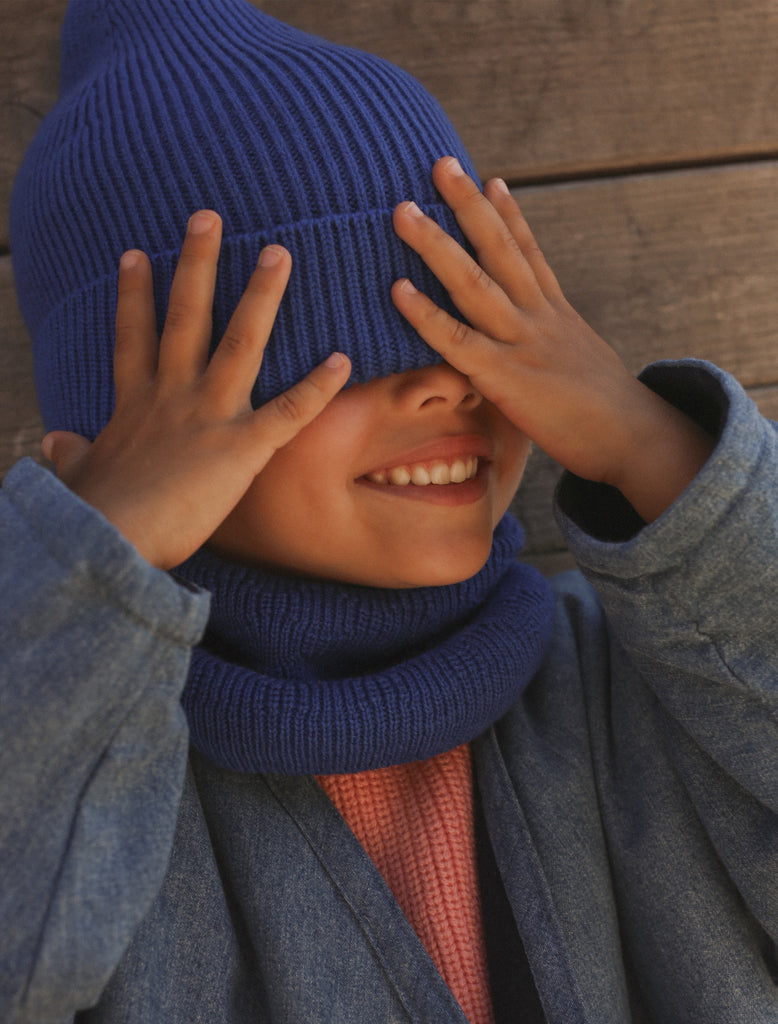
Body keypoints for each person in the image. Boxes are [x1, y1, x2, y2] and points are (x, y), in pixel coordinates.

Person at [3, 1, 778, 1022]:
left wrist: (652, 445)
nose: (444, 386)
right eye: (323, 354)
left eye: (469, 324)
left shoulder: (658, 680)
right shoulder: (102, 781)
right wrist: (94, 577)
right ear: (135, 443)